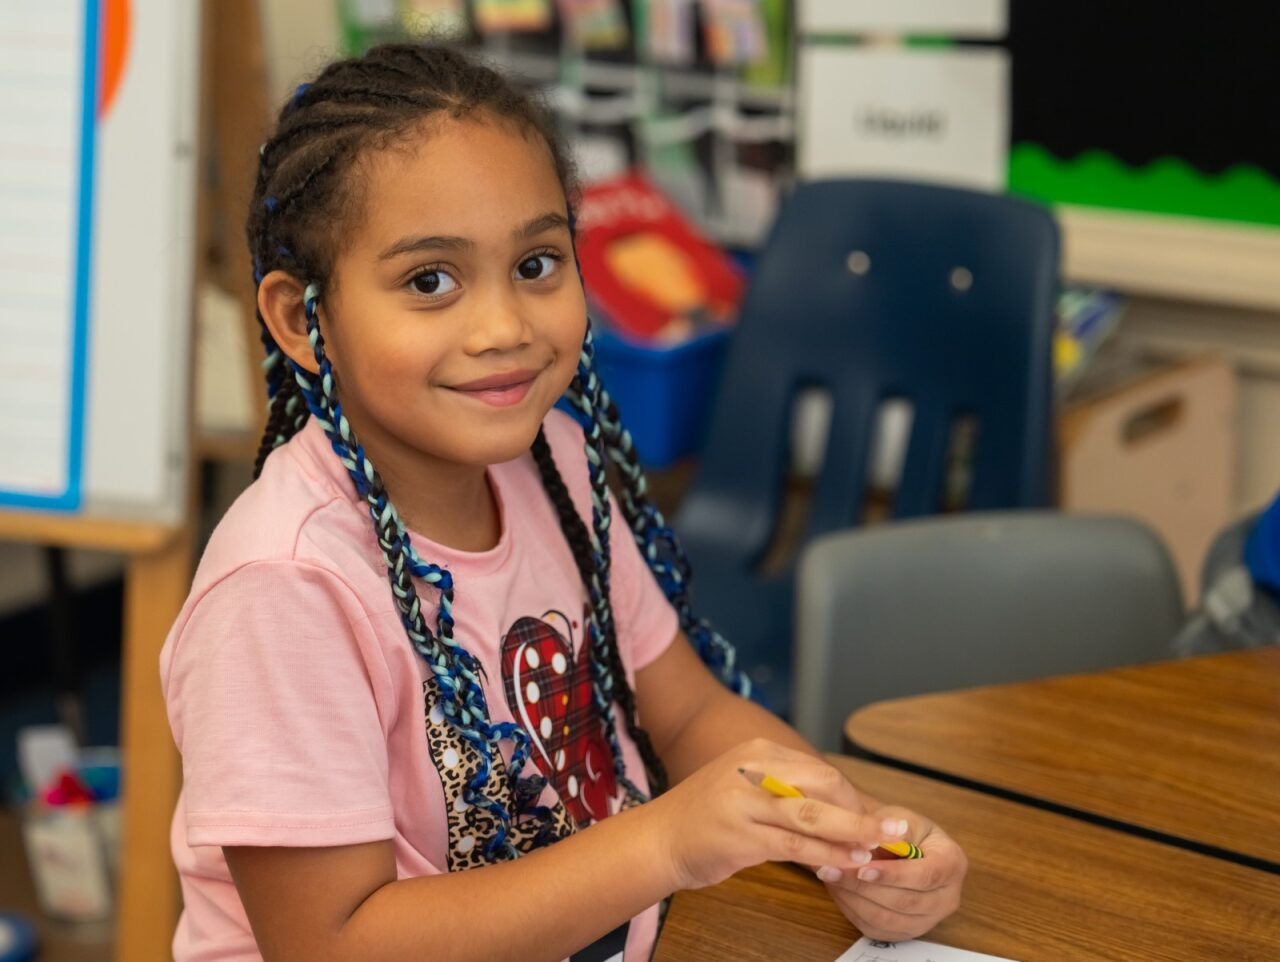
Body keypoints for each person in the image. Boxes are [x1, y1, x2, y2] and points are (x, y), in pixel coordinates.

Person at [160, 43, 967, 962]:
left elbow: (689, 715)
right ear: (302, 321)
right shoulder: (283, 588)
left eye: (537, 263)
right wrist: (664, 843)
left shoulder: (556, 464)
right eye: (430, 280)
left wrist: (854, 837)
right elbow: (332, 946)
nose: (504, 326)